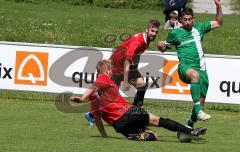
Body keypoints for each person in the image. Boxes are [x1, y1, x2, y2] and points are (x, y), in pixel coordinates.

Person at [71, 60, 207, 141]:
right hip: (129, 113)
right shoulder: (104, 78)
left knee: (152, 135)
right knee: (160, 121)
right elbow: (94, 86)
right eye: (110, 70)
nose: (111, 72)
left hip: (119, 126)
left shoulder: (93, 98)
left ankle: (136, 135)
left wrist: (104, 136)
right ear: (106, 70)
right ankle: (191, 131)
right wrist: (81, 98)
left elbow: (98, 119)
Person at [158, 0, 223, 127]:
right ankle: (198, 110)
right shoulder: (175, 33)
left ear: (193, 19)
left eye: (190, 19)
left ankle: (189, 125)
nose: (187, 22)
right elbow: (164, 48)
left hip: (202, 70)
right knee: (195, 75)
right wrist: (160, 46)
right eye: (185, 20)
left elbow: (219, 22)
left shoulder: (200, 28)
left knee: (201, 102)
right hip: (185, 68)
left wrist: (218, 6)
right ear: (180, 20)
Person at [84, 19, 160, 125]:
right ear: (146, 30)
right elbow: (127, 62)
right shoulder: (138, 41)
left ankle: (136, 114)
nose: (154, 34)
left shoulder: (146, 41)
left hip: (126, 67)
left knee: (141, 85)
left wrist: (135, 69)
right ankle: (91, 115)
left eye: (156, 32)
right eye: (152, 31)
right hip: (114, 68)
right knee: (110, 97)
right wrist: (126, 81)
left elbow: (136, 57)